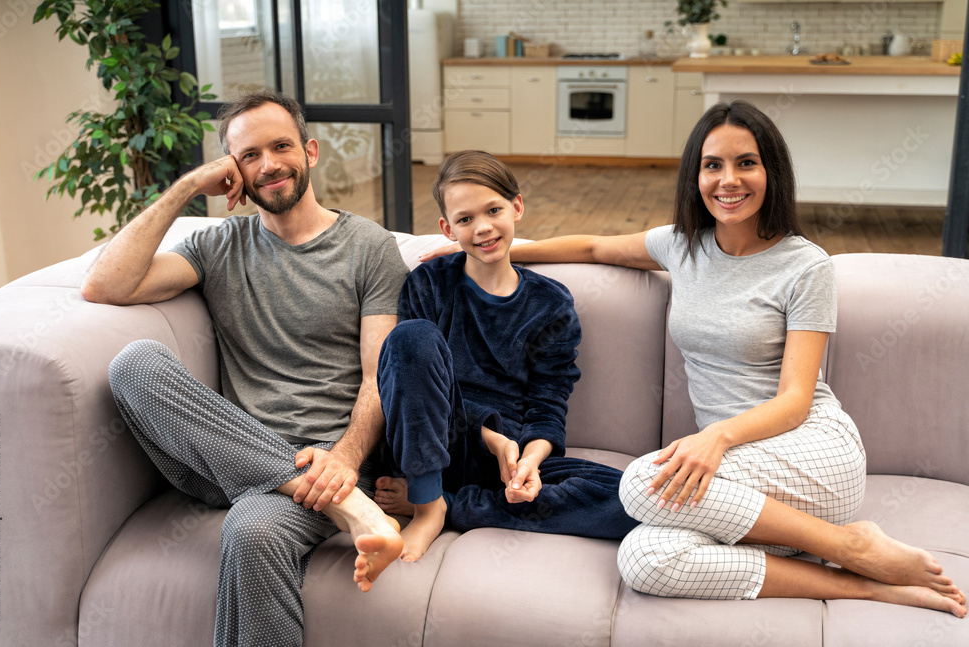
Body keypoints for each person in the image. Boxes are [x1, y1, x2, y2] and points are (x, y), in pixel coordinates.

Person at [420, 102, 966, 617]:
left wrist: (718, 436)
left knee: (637, 485)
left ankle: (851, 543)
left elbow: (797, 401)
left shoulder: (807, 266)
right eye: (712, 165)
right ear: (695, 177)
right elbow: (592, 248)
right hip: (742, 485)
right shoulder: (682, 245)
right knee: (643, 560)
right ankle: (861, 584)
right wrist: (483, 248)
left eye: (746, 163)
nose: (728, 180)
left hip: (809, 455)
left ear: (771, 171)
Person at [82, 90, 409, 646]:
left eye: (281, 146)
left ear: (310, 151)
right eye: (248, 155)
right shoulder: (216, 245)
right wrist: (185, 187)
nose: (269, 165)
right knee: (135, 362)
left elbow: (381, 375)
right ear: (232, 170)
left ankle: (330, 493)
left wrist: (347, 459)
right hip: (228, 455)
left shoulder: (369, 248)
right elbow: (103, 285)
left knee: (253, 530)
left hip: (326, 458)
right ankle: (352, 511)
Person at [372, 150, 637, 562]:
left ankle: (453, 503)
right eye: (465, 220)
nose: (482, 228)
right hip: (430, 444)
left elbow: (549, 405)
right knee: (411, 337)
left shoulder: (550, 303)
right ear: (447, 229)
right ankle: (427, 505)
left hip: (505, 461)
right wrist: (490, 437)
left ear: (516, 207)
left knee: (634, 498)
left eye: (493, 210)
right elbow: (410, 377)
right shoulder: (430, 283)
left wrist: (527, 461)